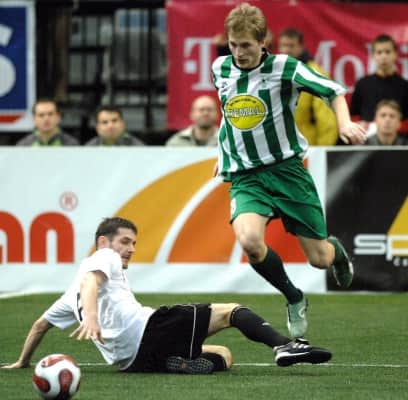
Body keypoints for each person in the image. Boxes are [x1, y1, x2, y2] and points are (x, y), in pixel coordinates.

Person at [211, 3, 366, 338]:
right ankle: (294, 297)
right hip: (247, 177)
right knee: (250, 241)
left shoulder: (285, 67)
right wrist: (223, 153)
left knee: (319, 259)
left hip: (287, 172)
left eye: (246, 45)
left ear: (263, 41)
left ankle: (336, 252)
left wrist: (343, 123)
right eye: (233, 44)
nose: (239, 52)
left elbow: (334, 91)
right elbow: (229, 114)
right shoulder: (220, 68)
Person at [2, 217, 332, 374]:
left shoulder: (65, 299)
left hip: (132, 362)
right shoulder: (103, 257)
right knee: (231, 311)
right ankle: (284, 346)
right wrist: (90, 316)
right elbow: (91, 282)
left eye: (133, 243)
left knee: (224, 355)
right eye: (125, 242)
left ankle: (183, 363)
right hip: (149, 328)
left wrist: (23, 361)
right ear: (104, 242)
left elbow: (39, 326)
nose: (131, 249)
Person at [278, 28, 338, 145]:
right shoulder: (274, 73)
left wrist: (322, 150)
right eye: (283, 45)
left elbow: (325, 117)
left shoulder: (313, 73)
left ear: (301, 47)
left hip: (307, 146)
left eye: (291, 46)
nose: (286, 50)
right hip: (280, 147)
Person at [351, 34, 408, 135]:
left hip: (397, 140)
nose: (384, 56)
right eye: (379, 52)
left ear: (395, 54)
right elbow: (353, 116)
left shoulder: (404, 86)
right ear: (373, 56)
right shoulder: (362, 84)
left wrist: (392, 128)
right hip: (367, 140)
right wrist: (366, 128)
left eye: (388, 52)